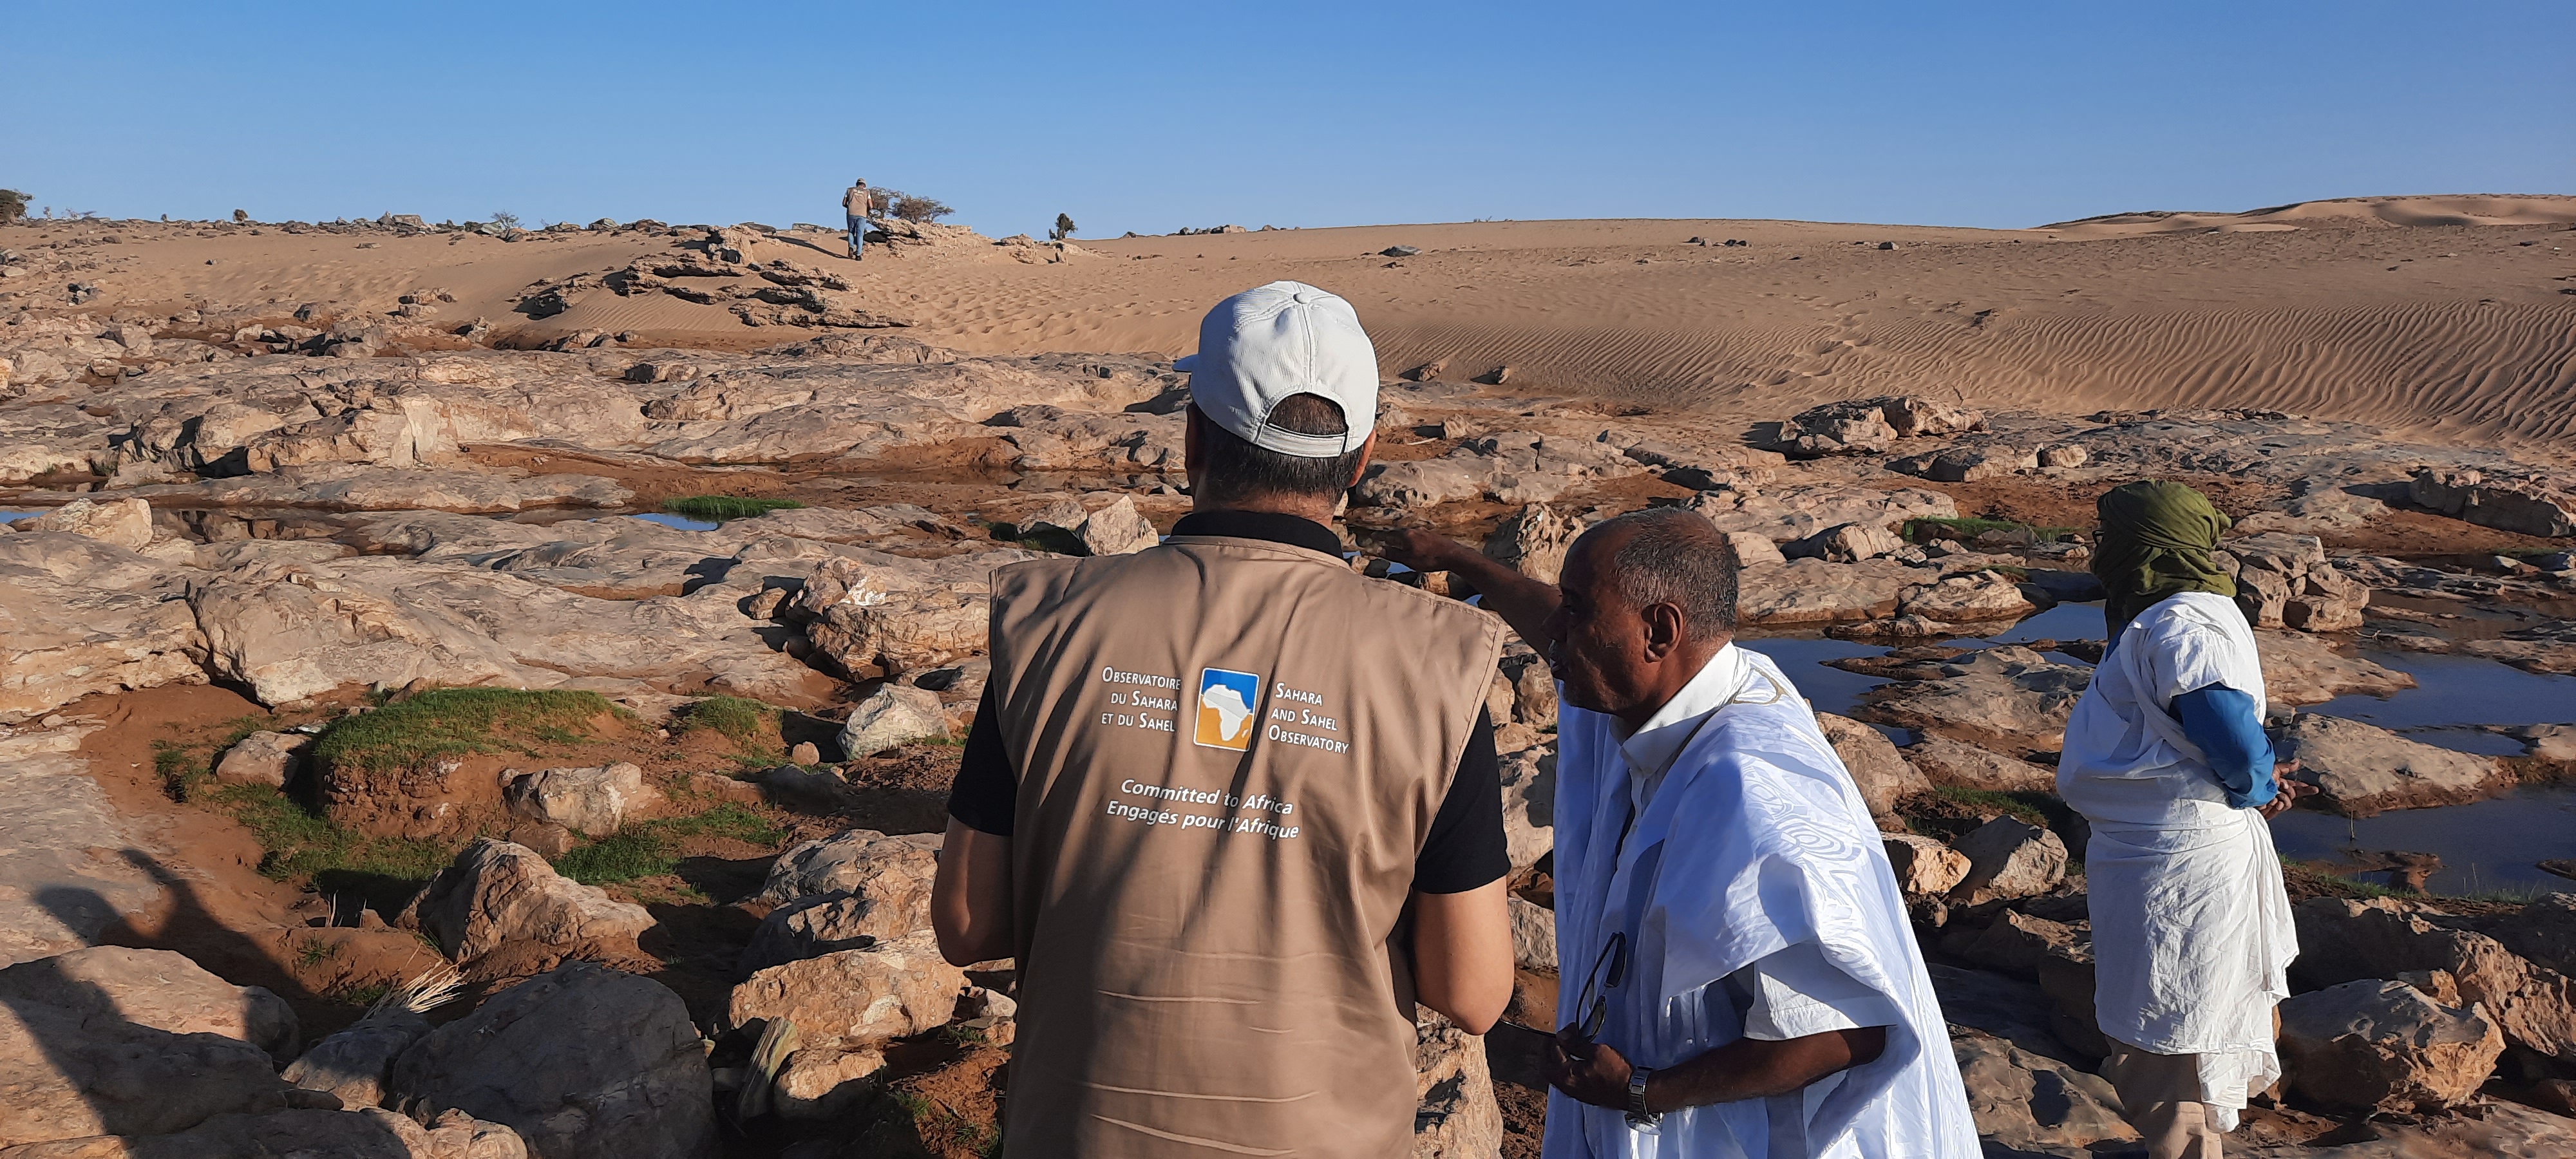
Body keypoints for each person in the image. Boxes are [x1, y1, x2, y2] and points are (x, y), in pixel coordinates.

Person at [931, 281, 1516, 1158]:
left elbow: (968, 923)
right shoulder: (1440, 661)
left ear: (1194, 436)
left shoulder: (1046, 622)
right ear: (1358, 462)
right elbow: (1471, 991)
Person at [1385, 510, 1980, 1158]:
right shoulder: (1667, 688)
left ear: (1661, 630)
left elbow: (1845, 1032)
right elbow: (1546, 617)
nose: (1555, 633)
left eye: (1578, 609)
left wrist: (1643, 1092)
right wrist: (1458, 559)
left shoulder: (1750, 794)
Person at [2057, 481, 2311, 1159]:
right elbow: (2199, 735)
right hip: (2156, 850)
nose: (2097, 547)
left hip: (2176, 864)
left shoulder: (2184, 624)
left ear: (2145, 547)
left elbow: (2227, 731)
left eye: (2109, 535)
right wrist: (2255, 783)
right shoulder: (2169, 613)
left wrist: (2255, 784)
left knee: (2170, 1043)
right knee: (2173, 1029)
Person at [842, 178, 872, 260]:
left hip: (851, 213)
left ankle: (851, 247)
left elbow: (844, 203)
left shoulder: (849, 190)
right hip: (862, 214)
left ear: (857, 184)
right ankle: (858, 255)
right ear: (864, 185)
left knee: (851, 231)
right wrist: (867, 211)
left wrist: (849, 208)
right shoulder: (867, 192)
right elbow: (871, 205)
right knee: (860, 234)